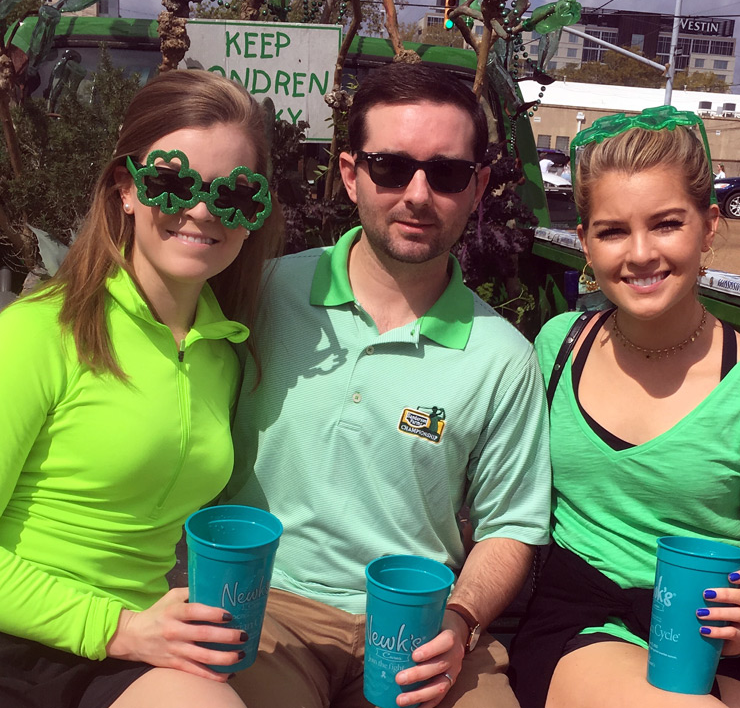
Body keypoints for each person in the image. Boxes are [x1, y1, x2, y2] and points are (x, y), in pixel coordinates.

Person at [225, 62, 551, 708]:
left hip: (422, 619)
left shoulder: (503, 358)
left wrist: (460, 622)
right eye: (391, 167)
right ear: (350, 174)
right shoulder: (261, 291)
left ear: (480, 185)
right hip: (267, 604)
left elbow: (510, 524)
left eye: (448, 173)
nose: (418, 194)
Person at [0, 70, 282, 708]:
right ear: (127, 189)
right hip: (21, 636)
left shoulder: (225, 354)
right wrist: (118, 629)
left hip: (142, 647)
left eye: (235, 194)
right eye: (175, 183)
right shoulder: (38, 332)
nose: (204, 211)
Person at [509, 106, 740, 708]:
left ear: (708, 226)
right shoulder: (557, 346)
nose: (640, 254)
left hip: (717, 638)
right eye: (612, 231)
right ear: (583, 242)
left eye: (666, 224)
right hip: (584, 628)